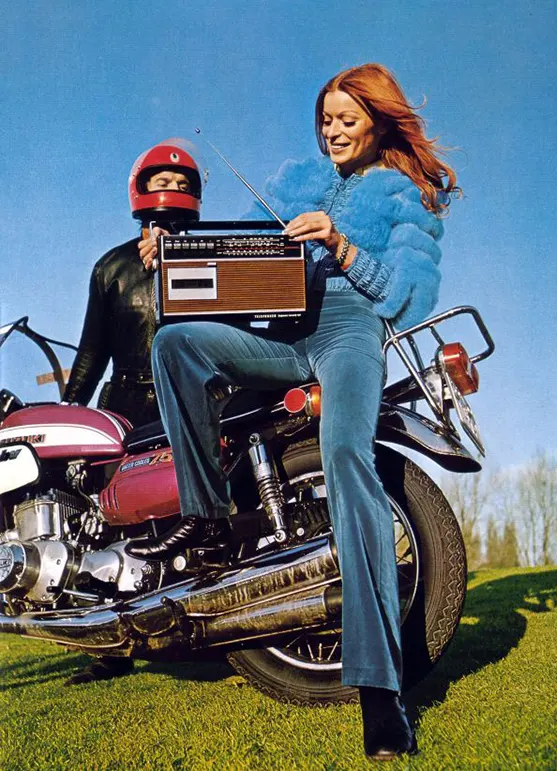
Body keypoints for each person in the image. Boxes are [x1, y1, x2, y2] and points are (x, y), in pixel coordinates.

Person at [129, 63, 459, 758]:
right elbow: (227, 257)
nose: (334, 132)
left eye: (348, 119)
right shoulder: (291, 180)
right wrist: (169, 253)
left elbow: (407, 297)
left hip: (349, 329)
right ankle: (207, 519)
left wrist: (339, 244)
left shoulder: (408, 196)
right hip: (277, 326)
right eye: (326, 120)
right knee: (177, 342)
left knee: (347, 458)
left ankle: (379, 693)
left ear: (377, 119)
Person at [62, 140, 203, 685]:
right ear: (140, 190)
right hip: (122, 404)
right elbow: (91, 350)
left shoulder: (210, 254)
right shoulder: (111, 267)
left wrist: (179, 261)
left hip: (188, 395)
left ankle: (196, 622)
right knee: (107, 521)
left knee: (184, 511)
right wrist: (70, 411)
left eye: (184, 184)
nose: (172, 192)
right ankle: (111, 647)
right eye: (162, 182)